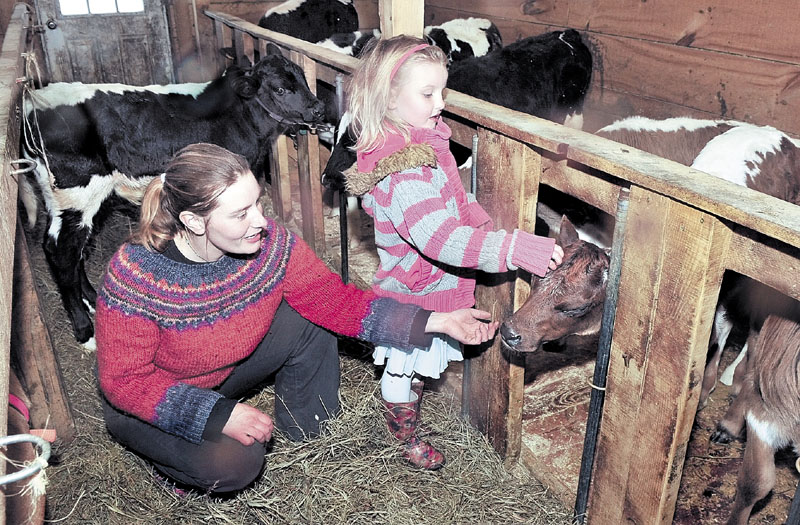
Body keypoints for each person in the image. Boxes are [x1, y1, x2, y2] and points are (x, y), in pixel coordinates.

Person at [95, 142, 499, 494]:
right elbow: (124, 381)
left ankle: (310, 432)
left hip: (224, 372)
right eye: (241, 213)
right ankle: (173, 466)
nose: (259, 219)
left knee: (311, 316)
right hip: (151, 400)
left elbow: (336, 301)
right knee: (237, 464)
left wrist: (433, 320)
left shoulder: (270, 244)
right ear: (194, 221)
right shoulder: (136, 277)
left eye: (257, 202)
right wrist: (219, 415)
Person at [343, 35, 565, 470]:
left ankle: (406, 417)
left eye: (442, 91)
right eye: (427, 94)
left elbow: (450, 204)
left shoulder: (422, 145)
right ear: (388, 96)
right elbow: (441, 239)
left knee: (417, 363)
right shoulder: (404, 170)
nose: (439, 102)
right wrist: (513, 248)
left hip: (428, 283)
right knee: (402, 366)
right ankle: (402, 434)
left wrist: (476, 219)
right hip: (414, 289)